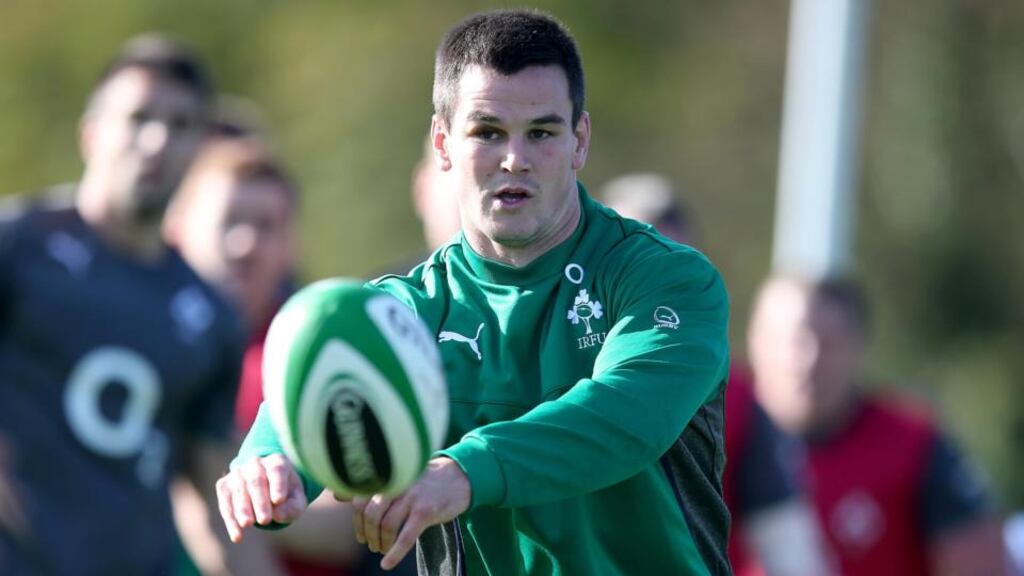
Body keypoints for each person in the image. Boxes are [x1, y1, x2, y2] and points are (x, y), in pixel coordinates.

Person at [217, 9, 731, 575]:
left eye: (542, 132)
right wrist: (269, 468)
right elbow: (311, 389)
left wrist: (462, 473)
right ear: (442, 144)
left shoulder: (669, 281)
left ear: (579, 140)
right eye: (488, 132)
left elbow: (624, 417)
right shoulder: (404, 310)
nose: (515, 159)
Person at [0, 34, 260, 575]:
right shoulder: (17, 249)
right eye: (140, 118)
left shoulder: (210, 314)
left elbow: (212, 498)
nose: (158, 140)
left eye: (182, 125)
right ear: (91, 133)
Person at [603, 172, 834, 576]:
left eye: (675, 264)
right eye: (637, 262)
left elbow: (793, 555)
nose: (657, 286)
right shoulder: (538, 367)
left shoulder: (737, 402)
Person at [166, 136, 367, 575]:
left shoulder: (319, 354)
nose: (246, 244)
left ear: (290, 244)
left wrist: (239, 496)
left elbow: (350, 529)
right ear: (178, 228)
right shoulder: (142, 354)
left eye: (265, 225)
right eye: (229, 221)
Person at [748, 273, 1007, 576]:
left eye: (829, 343)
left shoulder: (915, 446)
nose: (807, 360)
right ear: (756, 340)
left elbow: (979, 560)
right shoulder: (709, 437)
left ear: (859, 348)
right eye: (791, 340)